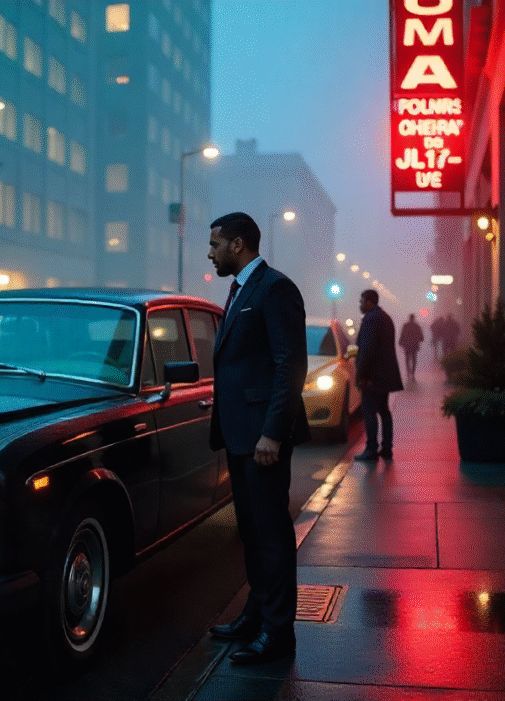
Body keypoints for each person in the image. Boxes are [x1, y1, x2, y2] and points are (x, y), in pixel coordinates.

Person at [205, 212, 309, 665]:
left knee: (271, 536)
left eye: (215, 244)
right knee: (251, 531)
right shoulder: (240, 289)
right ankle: (255, 615)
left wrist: (272, 432)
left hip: (262, 438)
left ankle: (278, 632)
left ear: (239, 244)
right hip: (239, 435)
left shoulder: (275, 288)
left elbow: (290, 365)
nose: (210, 253)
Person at [354, 290, 404, 460]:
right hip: (385, 375)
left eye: (361, 301)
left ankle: (371, 449)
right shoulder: (385, 317)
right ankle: (387, 447)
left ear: (369, 301)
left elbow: (367, 350)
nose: (360, 305)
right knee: (384, 411)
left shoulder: (370, 319)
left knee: (369, 412)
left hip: (372, 377)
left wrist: (361, 374)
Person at [398, 313, 424, 379]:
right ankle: (412, 372)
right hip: (414, 344)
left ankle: (408, 370)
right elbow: (420, 334)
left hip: (407, 344)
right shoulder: (416, 326)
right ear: (414, 318)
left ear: (409, 318)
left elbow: (402, 334)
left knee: (407, 358)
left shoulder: (406, 325)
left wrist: (400, 341)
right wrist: (421, 339)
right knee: (414, 358)